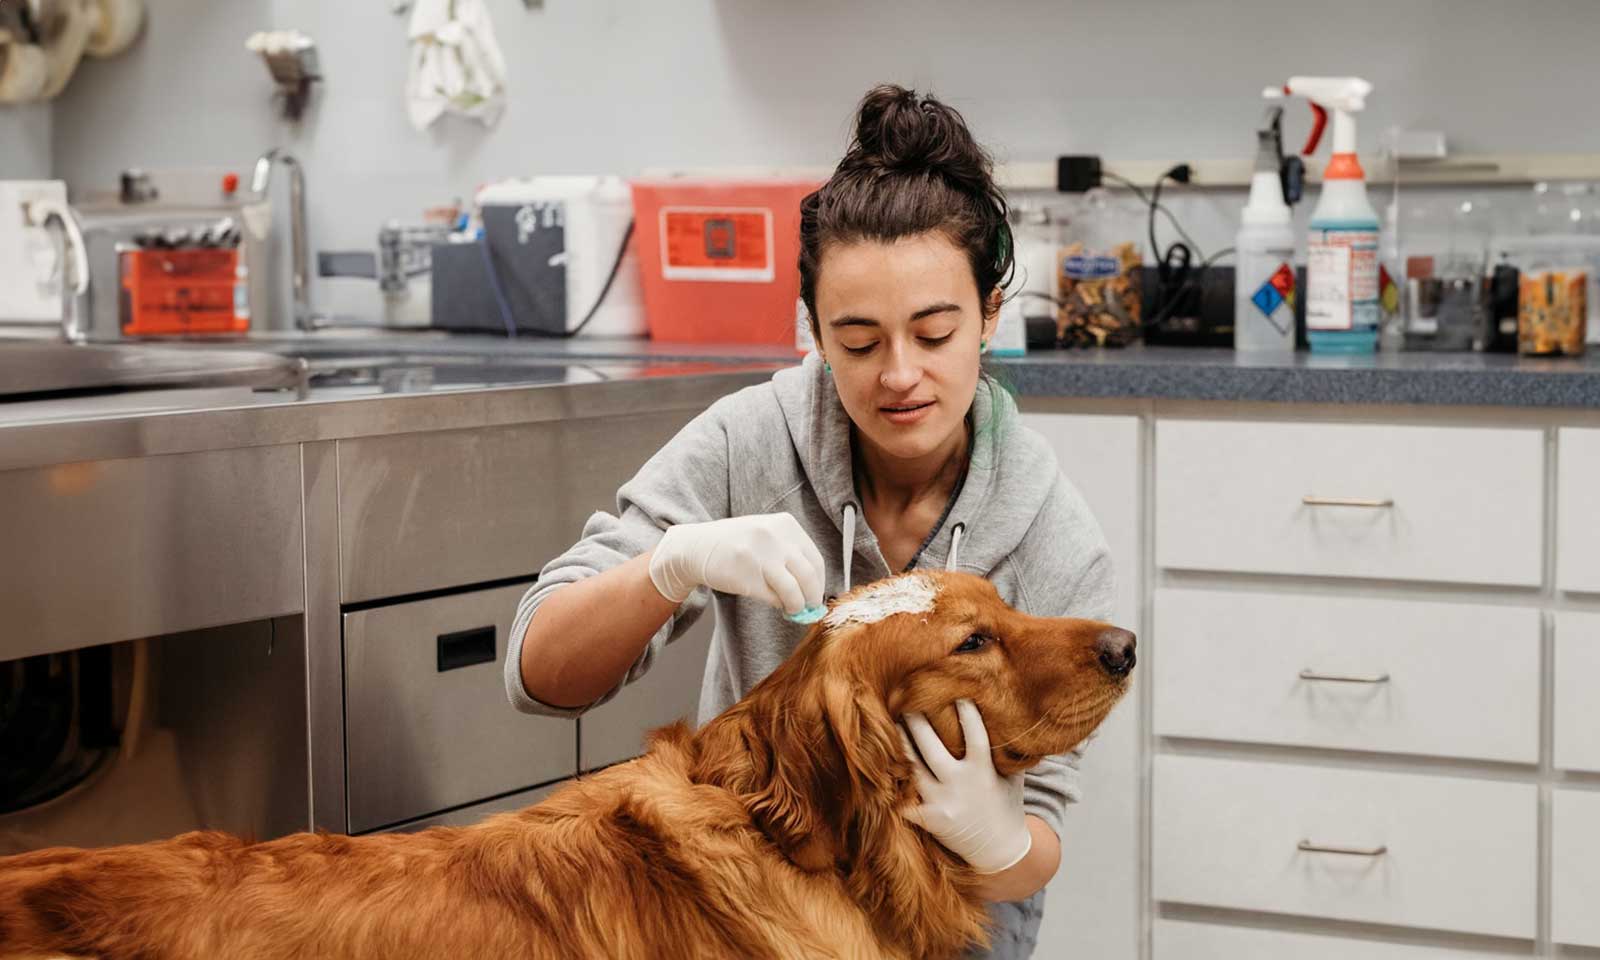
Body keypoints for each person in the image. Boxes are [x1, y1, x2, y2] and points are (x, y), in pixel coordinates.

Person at [505, 83, 1113, 959]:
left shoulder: (1053, 533)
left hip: (952, 885)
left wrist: (1002, 842)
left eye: (935, 334)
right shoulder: (747, 442)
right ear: (814, 335)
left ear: (990, 315)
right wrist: (668, 566)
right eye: (859, 343)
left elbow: (1040, 841)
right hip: (753, 873)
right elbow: (538, 674)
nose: (899, 374)